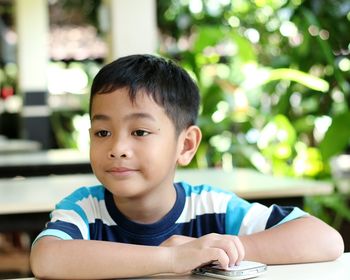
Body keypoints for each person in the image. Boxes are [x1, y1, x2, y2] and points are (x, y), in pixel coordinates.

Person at [30, 54, 344, 279]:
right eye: (102, 133)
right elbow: (47, 258)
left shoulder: (212, 208)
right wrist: (172, 258)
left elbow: (326, 240)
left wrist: (220, 250)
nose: (117, 149)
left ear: (187, 145)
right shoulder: (84, 209)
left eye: (139, 132)